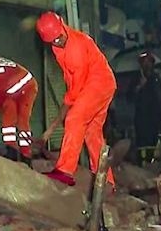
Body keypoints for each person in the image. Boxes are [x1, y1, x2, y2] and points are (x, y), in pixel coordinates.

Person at [37, 12, 116, 186]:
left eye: (59, 37)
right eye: (53, 41)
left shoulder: (77, 47)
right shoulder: (57, 47)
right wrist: (51, 129)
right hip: (97, 83)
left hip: (99, 82)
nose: (58, 41)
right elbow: (70, 79)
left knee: (75, 118)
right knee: (91, 133)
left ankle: (65, 171)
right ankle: (107, 181)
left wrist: (57, 121)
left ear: (63, 26)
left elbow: (75, 89)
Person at [0, 57, 38, 163]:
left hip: (27, 87)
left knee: (22, 121)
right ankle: (11, 150)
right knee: (7, 120)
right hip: (11, 89)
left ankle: (25, 153)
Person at [129, 51, 161, 163]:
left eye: (149, 61)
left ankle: (152, 162)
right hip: (141, 119)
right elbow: (130, 98)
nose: (147, 64)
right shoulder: (136, 78)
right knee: (141, 144)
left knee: (154, 143)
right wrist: (139, 87)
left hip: (155, 118)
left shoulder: (158, 78)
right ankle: (141, 164)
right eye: (144, 62)